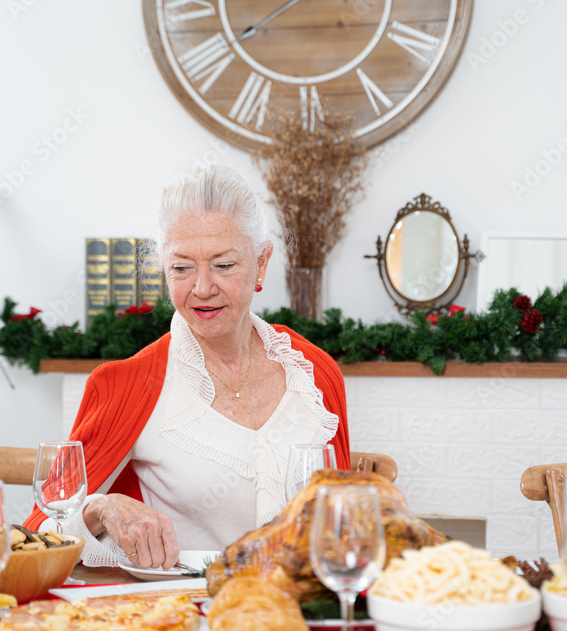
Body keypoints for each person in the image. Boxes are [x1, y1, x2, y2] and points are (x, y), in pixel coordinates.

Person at [24, 165, 350, 569]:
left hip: (300, 618)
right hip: (184, 621)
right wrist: (100, 508)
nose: (202, 288)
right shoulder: (125, 386)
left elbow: (343, 529)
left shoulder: (314, 374)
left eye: (224, 265)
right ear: (163, 267)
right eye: (182, 268)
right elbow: (40, 536)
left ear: (262, 263)